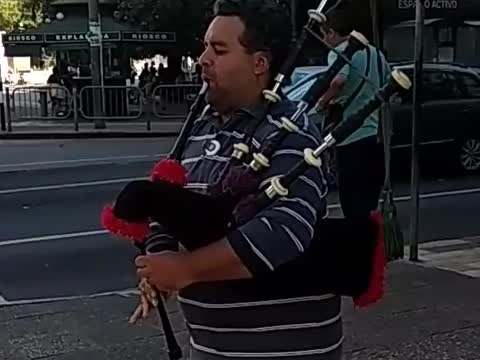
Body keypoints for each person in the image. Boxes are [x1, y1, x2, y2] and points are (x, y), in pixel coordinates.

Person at [130, 0, 342, 359]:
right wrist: (161, 260)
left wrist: (185, 269)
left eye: (219, 49)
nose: (202, 59)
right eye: (205, 46)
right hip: (212, 347)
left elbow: (284, 228)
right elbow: (166, 204)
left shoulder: (293, 131)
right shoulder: (200, 128)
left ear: (259, 63)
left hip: (286, 349)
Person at [317, 8, 391, 222]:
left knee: (351, 200)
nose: (323, 40)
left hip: (349, 135)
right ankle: (370, 247)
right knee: (369, 201)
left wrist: (323, 101)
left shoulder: (341, 52)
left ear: (331, 32)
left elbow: (338, 81)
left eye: (324, 35)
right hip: (374, 134)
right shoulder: (375, 53)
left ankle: (357, 246)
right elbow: (387, 85)